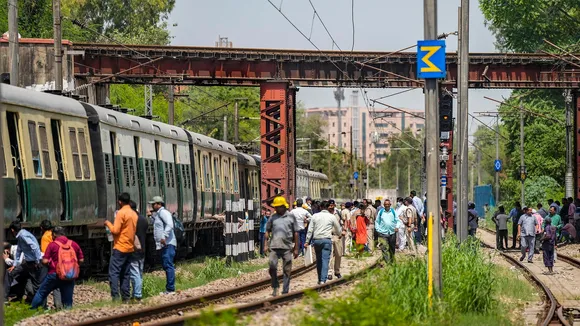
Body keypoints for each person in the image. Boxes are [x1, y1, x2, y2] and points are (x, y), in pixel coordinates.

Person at [30, 227, 84, 310]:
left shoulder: (52, 245)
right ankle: (68, 316)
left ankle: (31, 311)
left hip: (54, 275)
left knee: (41, 293)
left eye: (52, 235)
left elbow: (45, 261)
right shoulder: (73, 244)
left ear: (54, 235)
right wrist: (72, 267)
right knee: (68, 300)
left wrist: (49, 265)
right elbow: (81, 259)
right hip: (69, 275)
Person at [105, 193, 138, 302]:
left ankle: (115, 296)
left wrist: (108, 223)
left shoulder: (121, 213)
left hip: (120, 247)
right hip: (129, 248)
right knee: (126, 273)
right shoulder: (134, 214)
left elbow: (115, 230)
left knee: (114, 272)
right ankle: (126, 297)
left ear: (120, 202)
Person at [264, 196, 299, 296]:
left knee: (287, 269)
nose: (275, 209)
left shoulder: (291, 217)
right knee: (272, 266)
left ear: (283, 207)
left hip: (287, 247)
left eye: (278, 207)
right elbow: (267, 231)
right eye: (275, 207)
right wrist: (265, 245)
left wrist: (296, 248)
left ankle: (285, 290)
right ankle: (275, 286)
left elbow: (296, 233)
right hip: (274, 246)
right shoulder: (272, 217)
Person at [306, 201, 342, 284]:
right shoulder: (331, 217)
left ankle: (319, 279)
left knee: (319, 260)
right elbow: (338, 228)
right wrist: (339, 234)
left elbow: (310, 230)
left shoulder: (315, 216)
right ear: (327, 207)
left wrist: (307, 241)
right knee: (325, 259)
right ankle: (323, 280)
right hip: (326, 240)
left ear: (320, 207)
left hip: (317, 240)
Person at [9, 220, 43, 303]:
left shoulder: (23, 236)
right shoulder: (21, 236)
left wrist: (37, 261)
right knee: (17, 275)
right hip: (28, 262)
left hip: (33, 262)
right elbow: (19, 251)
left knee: (36, 283)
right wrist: (14, 265)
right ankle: (25, 297)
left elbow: (34, 247)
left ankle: (38, 303)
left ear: (12, 230)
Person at [149, 195, 177, 294]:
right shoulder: (158, 214)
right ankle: (169, 288)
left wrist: (164, 236)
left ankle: (170, 289)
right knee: (166, 265)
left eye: (153, 204)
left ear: (159, 204)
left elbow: (170, 224)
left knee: (168, 265)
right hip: (165, 244)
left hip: (168, 243)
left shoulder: (164, 213)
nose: (152, 206)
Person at [39, 219, 62, 309]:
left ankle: (43, 306)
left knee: (44, 284)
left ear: (41, 228)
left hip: (50, 264)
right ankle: (59, 305)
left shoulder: (45, 237)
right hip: (58, 262)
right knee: (57, 285)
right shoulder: (54, 235)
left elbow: (45, 253)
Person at [130, 201, 148, 301]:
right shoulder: (143, 219)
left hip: (133, 250)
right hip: (142, 249)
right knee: (139, 273)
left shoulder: (132, 220)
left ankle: (137, 294)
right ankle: (136, 293)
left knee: (134, 273)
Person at [327, 200, 345, 280]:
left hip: (337, 236)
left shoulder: (338, 213)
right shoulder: (325, 214)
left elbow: (342, 222)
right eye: (330, 205)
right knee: (329, 255)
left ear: (334, 205)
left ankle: (337, 271)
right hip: (328, 236)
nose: (331, 206)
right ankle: (329, 272)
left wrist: (344, 230)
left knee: (338, 254)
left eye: (332, 205)